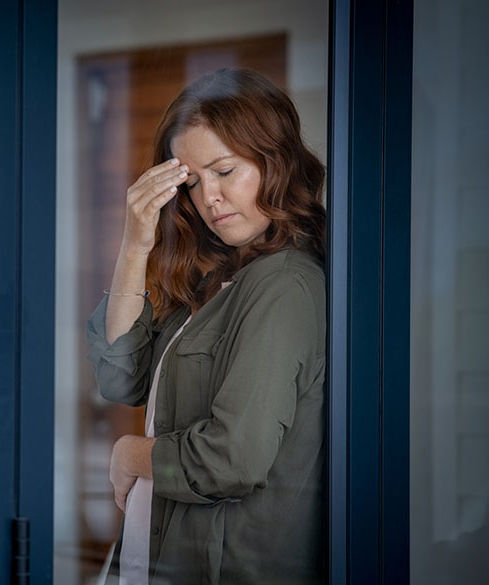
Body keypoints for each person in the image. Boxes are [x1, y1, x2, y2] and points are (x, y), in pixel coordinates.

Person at [86, 67, 327, 585]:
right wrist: (134, 247)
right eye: (192, 182)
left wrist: (132, 454)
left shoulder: (284, 284)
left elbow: (232, 457)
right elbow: (119, 379)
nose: (208, 198)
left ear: (275, 160)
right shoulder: (218, 279)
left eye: (224, 170)